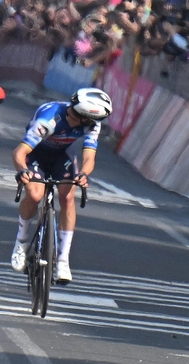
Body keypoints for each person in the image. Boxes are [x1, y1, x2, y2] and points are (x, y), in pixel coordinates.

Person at [11, 87, 113, 284]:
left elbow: (89, 156)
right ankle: (21, 242)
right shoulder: (49, 119)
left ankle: (63, 260)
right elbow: (19, 153)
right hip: (36, 155)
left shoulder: (92, 124)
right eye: (89, 120)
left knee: (67, 196)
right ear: (82, 115)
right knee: (34, 194)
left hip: (61, 156)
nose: (92, 124)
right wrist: (22, 170)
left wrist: (83, 174)